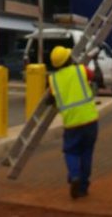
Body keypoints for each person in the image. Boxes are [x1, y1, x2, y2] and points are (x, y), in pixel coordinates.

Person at [48, 45, 99, 199]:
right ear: (69, 59)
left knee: (71, 151)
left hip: (72, 123)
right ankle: (83, 188)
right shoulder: (81, 70)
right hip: (90, 120)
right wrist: (94, 61)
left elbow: (51, 100)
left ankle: (75, 176)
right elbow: (95, 77)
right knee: (86, 153)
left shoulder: (53, 79)